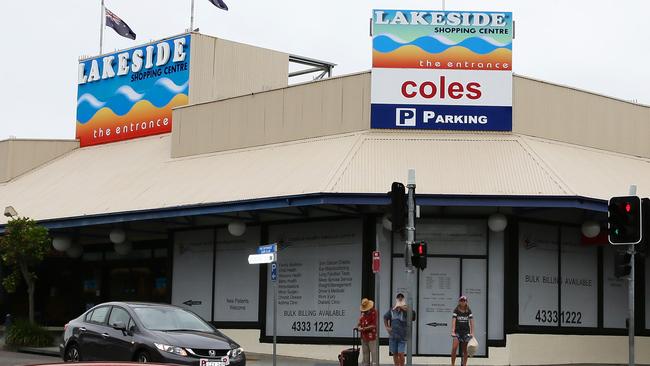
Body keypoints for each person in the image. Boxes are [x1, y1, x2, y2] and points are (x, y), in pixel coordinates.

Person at [384, 293, 408, 366]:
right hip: (393, 335)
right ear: (396, 299)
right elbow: (385, 317)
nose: (400, 299)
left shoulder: (406, 309)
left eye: (401, 298)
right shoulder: (392, 309)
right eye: (398, 298)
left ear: (403, 299)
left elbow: (411, 315)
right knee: (395, 353)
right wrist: (387, 327)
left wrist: (402, 307)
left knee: (401, 353)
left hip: (402, 336)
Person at [451, 295, 474, 366]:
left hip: (466, 332)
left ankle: (464, 364)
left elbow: (471, 322)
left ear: (466, 302)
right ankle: (452, 364)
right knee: (454, 348)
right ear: (459, 302)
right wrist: (453, 331)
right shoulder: (456, 310)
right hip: (457, 332)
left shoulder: (468, 310)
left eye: (464, 300)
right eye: (461, 300)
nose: (462, 302)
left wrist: (472, 332)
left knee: (465, 350)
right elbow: (454, 321)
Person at [357, 298, 378, 366]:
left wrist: (364, 328)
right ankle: (366, 363)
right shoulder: (363, 314)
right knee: (365, 352)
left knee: (373, 352)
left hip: (371, 336)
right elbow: (359, 323)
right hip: (363, 336)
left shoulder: (374, 312)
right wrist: (359, 327)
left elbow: (373, 325)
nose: (365, 311)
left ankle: (374, 364)